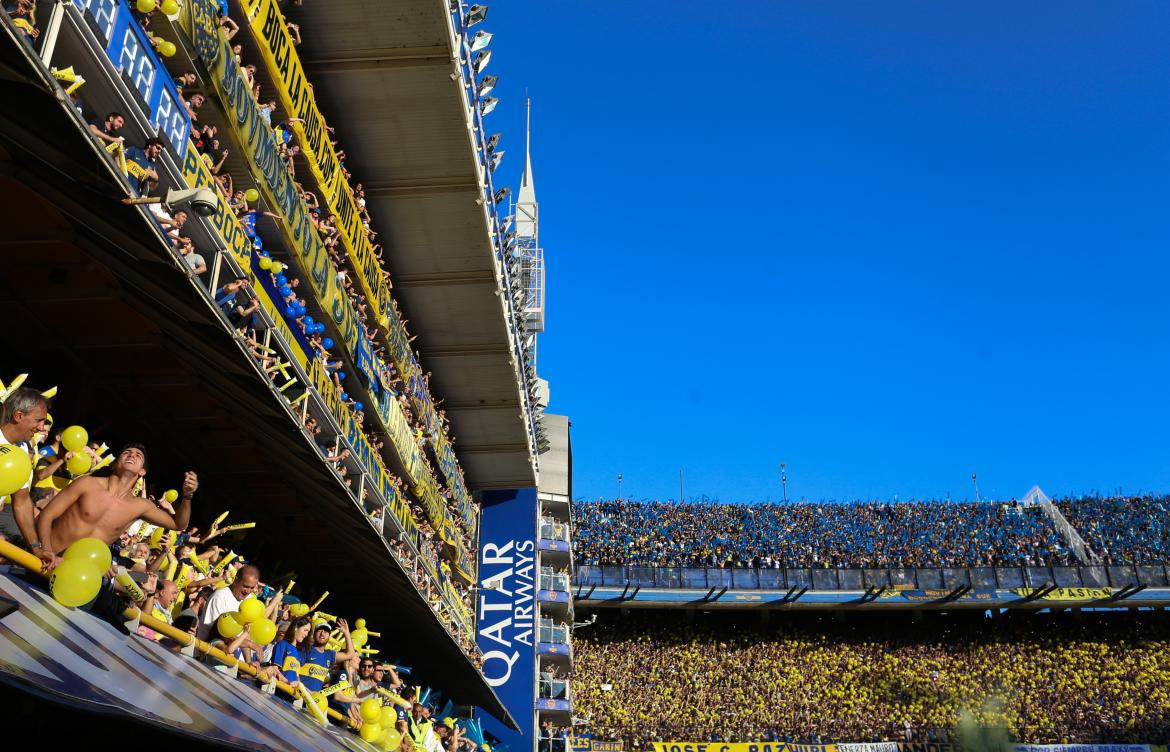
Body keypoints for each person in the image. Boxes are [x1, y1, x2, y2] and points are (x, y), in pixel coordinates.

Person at [34, 445, 197, 569]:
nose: (132, 455)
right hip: (44, 561)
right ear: (114, 464)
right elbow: (47, 515)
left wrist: (187, 497)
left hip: (80, 573)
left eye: (138, 455)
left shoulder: (141, 506)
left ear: (142, 472)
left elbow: (179, 525)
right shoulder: (87, 483)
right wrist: (46, 551)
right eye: (126, 452)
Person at [0, 387, 49, 555]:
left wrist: (35, 547)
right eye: (39, 420)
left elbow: (21, 500)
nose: (42, 427)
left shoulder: (22, 451)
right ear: (19, 416)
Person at [197, 563, 260, 640]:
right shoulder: (219, 597)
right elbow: (219, 633)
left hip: (231, 650)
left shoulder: (249, 599)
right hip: (207, 649)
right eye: (246, 586)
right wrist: (248, 644)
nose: (248, 591)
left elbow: (246, 631)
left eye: (252, 588)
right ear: (236, 580)